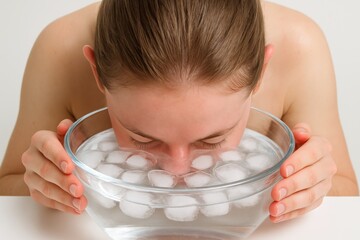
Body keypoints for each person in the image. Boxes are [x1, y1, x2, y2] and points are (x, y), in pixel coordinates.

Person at [0, 0, 358, 224]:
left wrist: (311, 185)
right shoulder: (59, 51)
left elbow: (346, 192)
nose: (178, 171)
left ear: (261, 73)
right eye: (142, 137)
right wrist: (42, 182)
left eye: (212, 138)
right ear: (96, 72)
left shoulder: (300, 48)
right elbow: (8, 186)